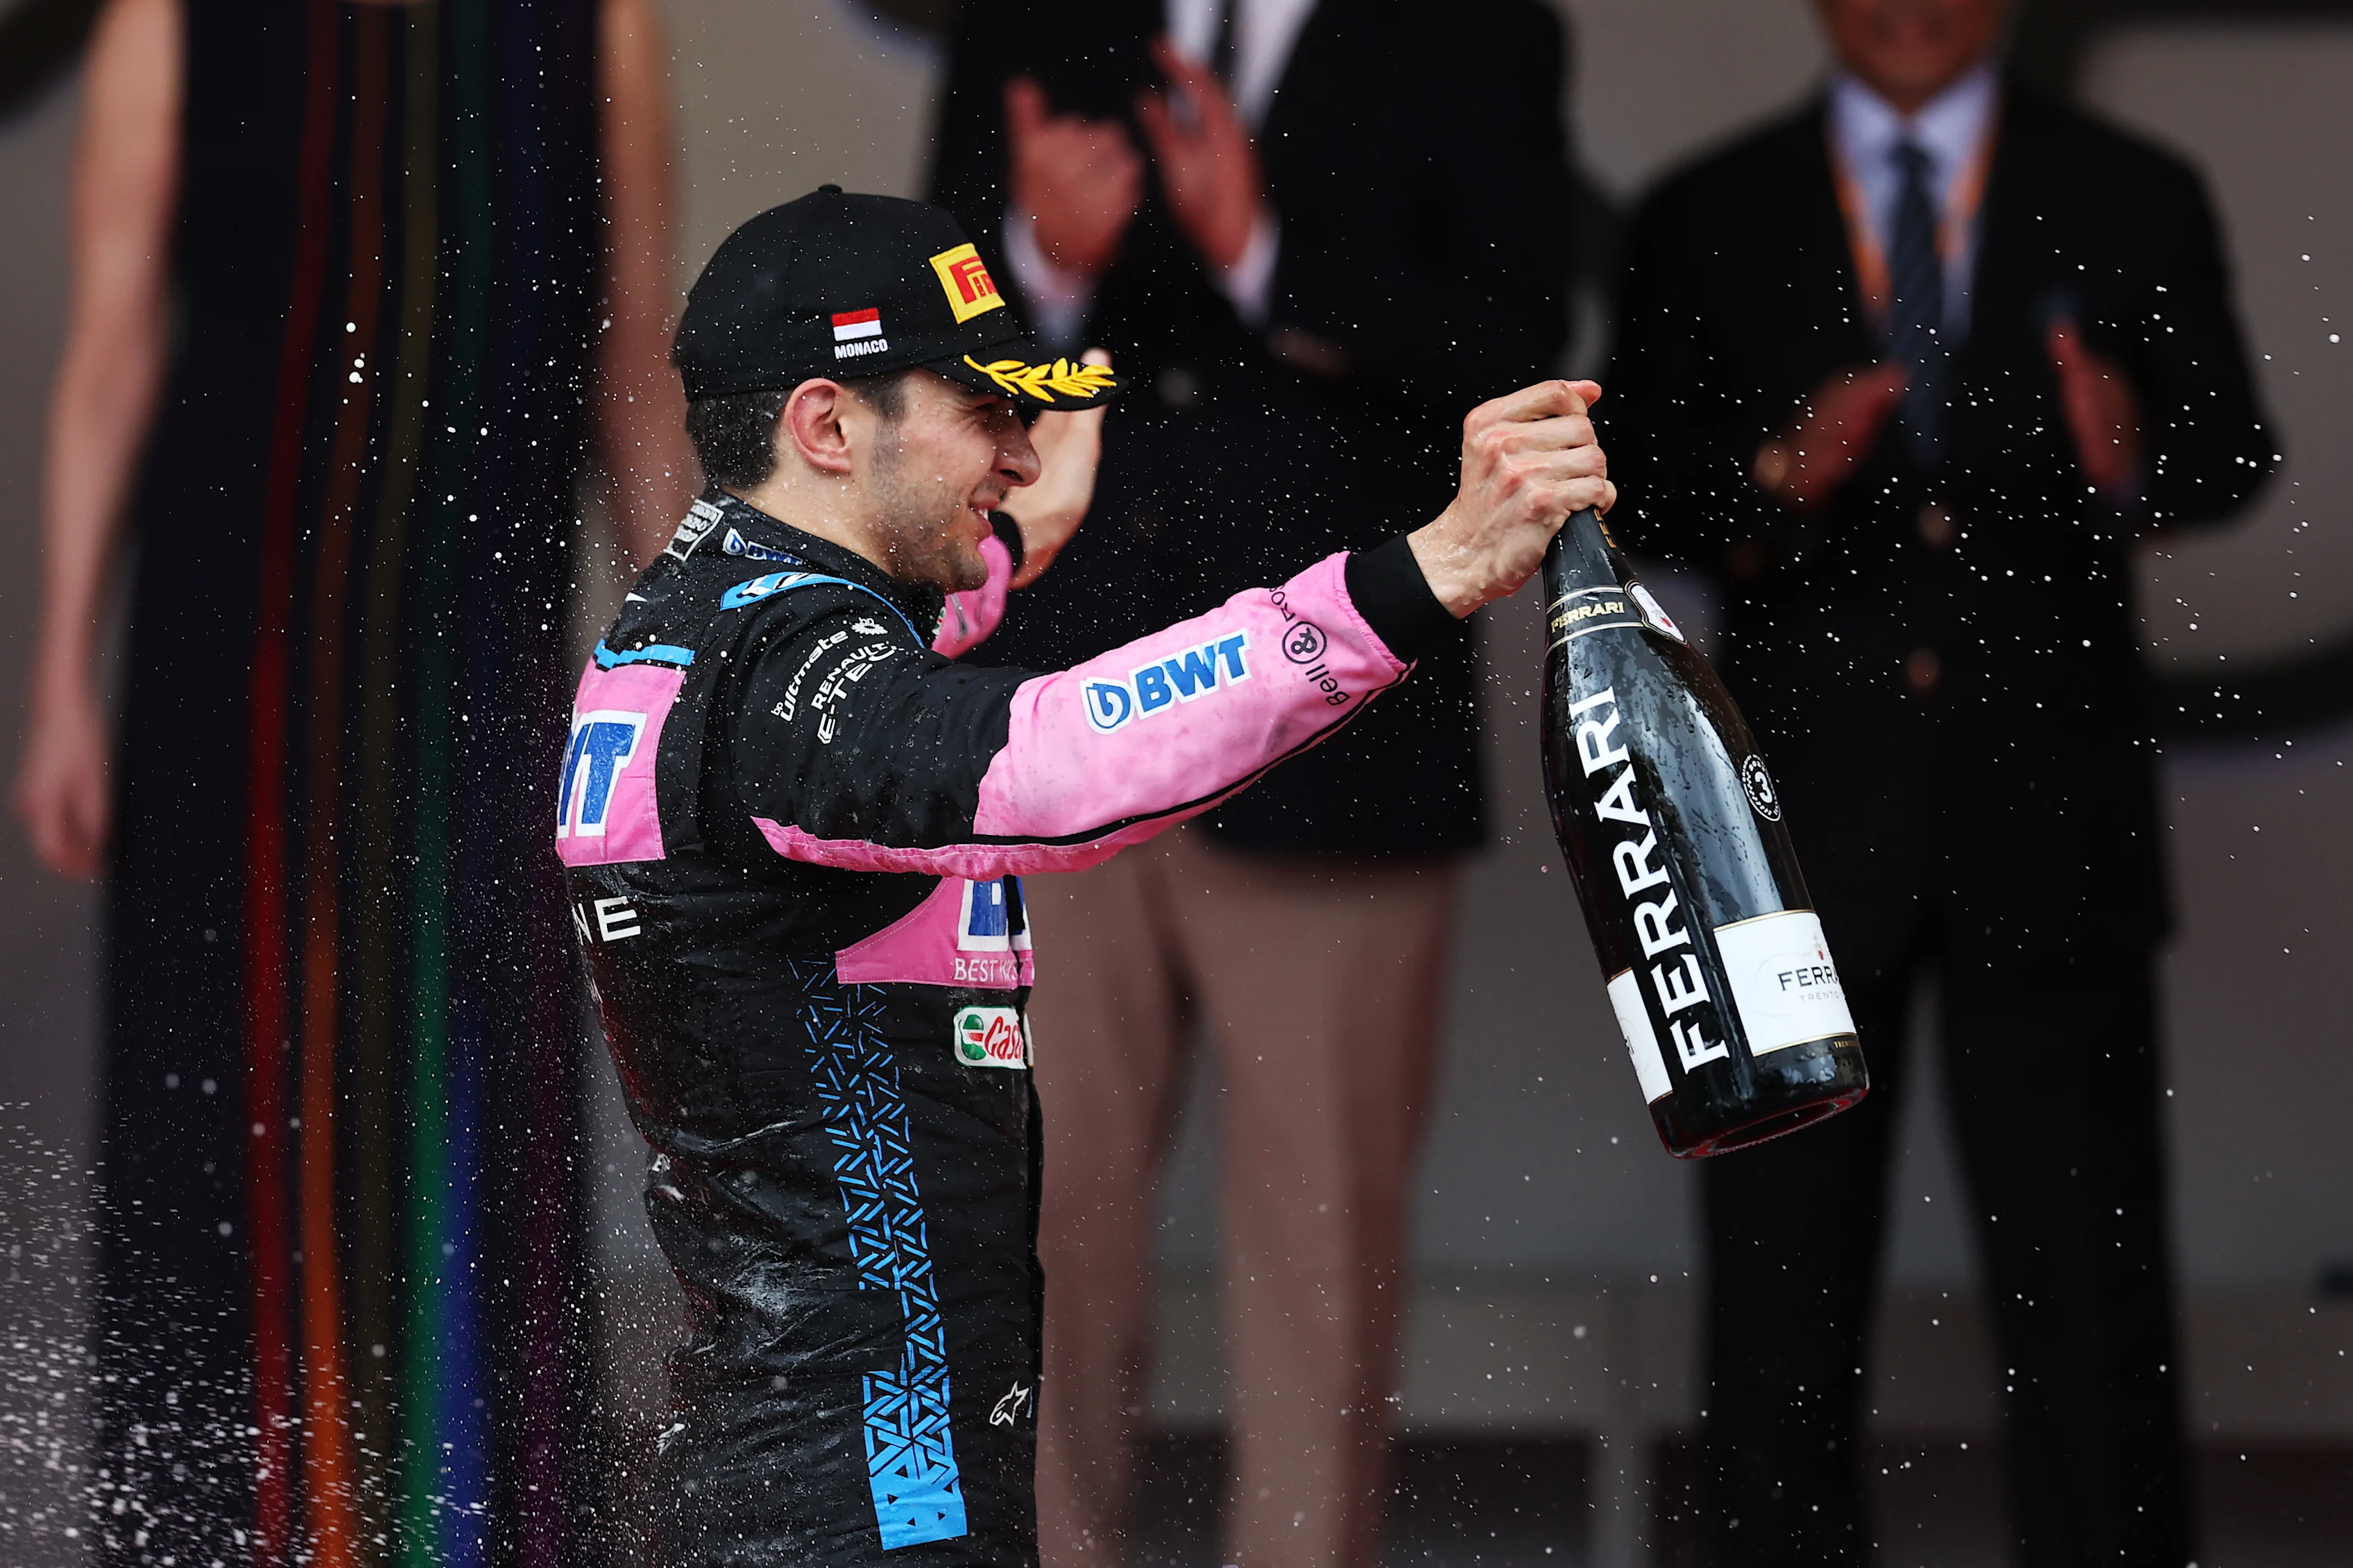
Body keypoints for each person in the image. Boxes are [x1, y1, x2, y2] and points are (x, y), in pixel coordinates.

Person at [563, 184, 1611, 1567]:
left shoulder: (712, 620)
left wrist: (1001, 546)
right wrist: (1421, 575)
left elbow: (875, 688)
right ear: (824, 427)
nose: (1016, 450)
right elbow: (1046, 763)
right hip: (865, 1500)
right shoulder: (785, 685)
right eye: (982, 412)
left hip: (806, 1465)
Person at [9, 0, 686, 1561]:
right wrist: (58, 674)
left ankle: (470, 1531)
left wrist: (687, 675)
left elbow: (631, 366)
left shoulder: (597, 24)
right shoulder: (169, 19)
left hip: (476, 685)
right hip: (226, 681)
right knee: (219, 1152)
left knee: (468, 1127)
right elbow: (113, 350)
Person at [1600, 1, 2275, 1562]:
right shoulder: (1706, 204)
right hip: (1789, 839)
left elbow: (2235, 447)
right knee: (1776, 1283)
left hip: (2048, 817)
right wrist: (1773, 471)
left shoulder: (2131, 184)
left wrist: (2132, 457)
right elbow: (1629, 465)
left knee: (2089, 1288)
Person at [924, 6, 1575, 1562]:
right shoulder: (1024, 19)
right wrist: (1045, 258)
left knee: (1318, 1253)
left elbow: (1516, 339)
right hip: (1057, 724)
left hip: (1336, 724)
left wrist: (1265, 253)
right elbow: (927, 315)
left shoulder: (1488, 35)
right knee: (1026, 1230)